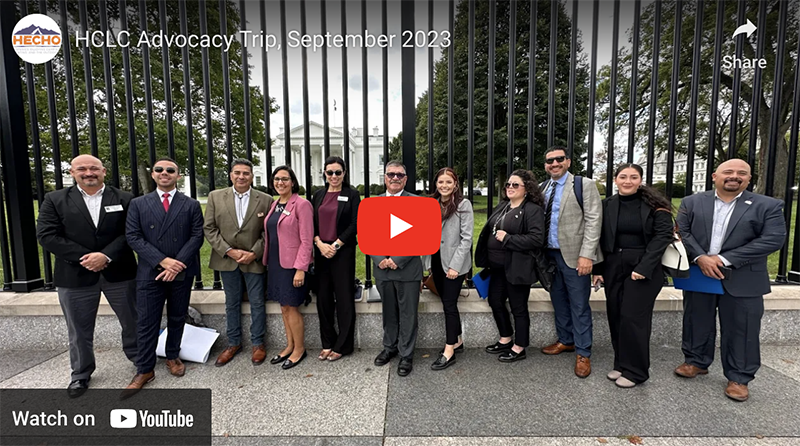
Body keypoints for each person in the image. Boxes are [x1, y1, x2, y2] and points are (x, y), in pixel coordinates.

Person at [674, 159, 785, 402]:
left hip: (744, 276)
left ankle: (739, 377)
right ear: (715, 176)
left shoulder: (768, 205)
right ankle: (696, 361)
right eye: (728, 172)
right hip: (700, 272)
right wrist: (702, 257)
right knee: (696, 319)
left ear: (748, 178)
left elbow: (772, 240)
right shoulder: (693, 202)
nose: (734, 176)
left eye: (741, 173)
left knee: (742, 328)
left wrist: (724, 259)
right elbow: (681, 232)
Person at [36, 155, 138, 398]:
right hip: (75, 274)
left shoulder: (125, 198)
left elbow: (131, 232)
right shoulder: (55, 199)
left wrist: (105, 255)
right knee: (78, 328)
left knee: (132, 320)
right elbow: (47, 235)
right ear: (72, 172)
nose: (88, 172)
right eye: (82, 169)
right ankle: (80, 374)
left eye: (94, 168)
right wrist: (88, 257)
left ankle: (140, 360)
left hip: (119, 272)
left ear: (104, 171)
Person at [124, 158, 204, 390]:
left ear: (178, 175)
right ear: (153, 175)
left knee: (178, 316)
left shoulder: (190, 204)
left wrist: (177, 264)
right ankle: (145, 369)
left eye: (170, 170)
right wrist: (163, 261)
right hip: (151, 270)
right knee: (147, 321)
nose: (164, 173)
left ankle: (172, 355)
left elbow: (196, 236)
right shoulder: (139, 203)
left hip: (181, 270)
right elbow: (133, 236)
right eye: (159, 170)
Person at [591, 164, 674, 388]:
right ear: (615, 180)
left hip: (644, 267)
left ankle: (637, 371)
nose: (628, 181)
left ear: (640, 180)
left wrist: (644, 267)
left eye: (633, 177)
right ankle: (621, 363)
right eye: (623, 177)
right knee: (616, 314)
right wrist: (598, 270)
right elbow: (599, 238)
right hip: (613, 265)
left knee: (633, 317)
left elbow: (663, 236)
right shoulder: (607, 204)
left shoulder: (655, 205)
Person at [539, 146, 603, 378]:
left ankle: (583, 351)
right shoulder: (542, 188)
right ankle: (566, 340)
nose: (554, 164)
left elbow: (594, 220)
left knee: (579, 304)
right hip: (550, 256)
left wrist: (587, 255)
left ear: (567, 161)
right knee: (559, 300)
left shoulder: (583, 184)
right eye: (549, 161)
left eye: (558, 159)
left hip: (576, 256)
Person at [204, 159, 273, 367]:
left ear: (252, 176)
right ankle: (233, 343)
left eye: (246, 173)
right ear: (231, 175)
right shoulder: (216, 197)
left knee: (257, 302)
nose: (241, 176)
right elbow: (209, 228)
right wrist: (229, 251)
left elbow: (268, 231)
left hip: (254, 260)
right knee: (231, 303)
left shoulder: (265, 199)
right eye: (237, 173)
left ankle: (258, 343)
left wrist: (254, 253)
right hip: (227, 260)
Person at [475, 169, 545, 363]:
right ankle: (505, 338)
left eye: (516, 185)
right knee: (495, 301)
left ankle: (519, 346)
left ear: (527, 188)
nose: (510, 188)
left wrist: (508, 239)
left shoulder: (532, 210)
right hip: (497, 268)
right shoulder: (504, 205)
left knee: (518, 307)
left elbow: (536, 239)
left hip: (517, 267)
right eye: (508, 184)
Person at [370, 161, 424, 377]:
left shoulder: (417, 203)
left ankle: (406, 354)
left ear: (406, 179)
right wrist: (379, 258)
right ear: (384, 177)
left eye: (399, 175)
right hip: (382, 269)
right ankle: (389, 347)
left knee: (409, 314)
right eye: (391, 174)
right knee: (389, 312)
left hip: (407, 269)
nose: (395, 178)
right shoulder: (373, 204)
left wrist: (398, 259)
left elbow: (422, 235)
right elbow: (367, 234)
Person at [263, 165, 314, 370]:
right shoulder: (275, 204)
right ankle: (290, 345)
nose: (280, 183)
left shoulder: (301, 205)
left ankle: (299, 349)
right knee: (283, 307)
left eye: (284, 179)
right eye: (276, 179)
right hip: (276, 263)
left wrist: (300, 268)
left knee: (292, 307)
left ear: (293, 181)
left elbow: (307, 239)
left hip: (292, 266)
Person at [312, 156, 361, 362]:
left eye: (338, 172)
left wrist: (336, 245)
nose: (334, 176)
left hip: (342, 252)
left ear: (344, 173)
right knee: (323, 298)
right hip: (321, 251)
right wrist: (319, 243)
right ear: (324, 173)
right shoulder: (318, 195)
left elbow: (355, 223)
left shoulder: (352, 195)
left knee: (344, 299)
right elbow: (311, 223)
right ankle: (327, 342)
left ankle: (344, 345)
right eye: (330, 172)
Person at [425, 167, 473, 370]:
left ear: (455, 184)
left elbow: (466, 239)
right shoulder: (431, 204)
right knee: (447, 302)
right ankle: (458, 340)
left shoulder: (463, 205)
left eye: (448, 182)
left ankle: (449, 350)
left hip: (454, 264)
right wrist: (426, 264)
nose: (444, 185)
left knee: (449, 305)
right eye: (440, 182)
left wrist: (455, 266)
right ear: (436, 184)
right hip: (436, 260)